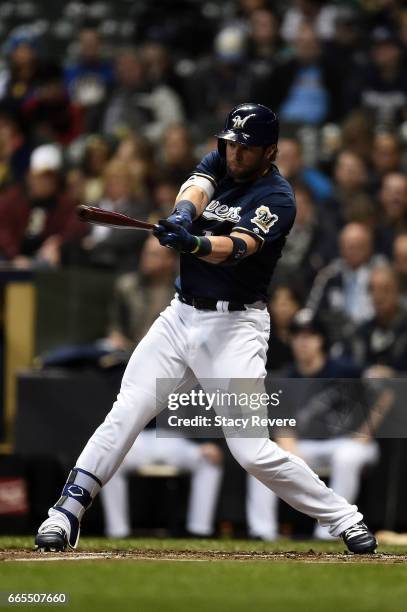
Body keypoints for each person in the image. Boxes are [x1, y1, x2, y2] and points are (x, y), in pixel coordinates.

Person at [35, 103, 377, 554]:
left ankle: (345, 518)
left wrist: (195, 242)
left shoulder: (278, 197)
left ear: (269, 151)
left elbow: (239, 246)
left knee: (251, 451)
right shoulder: (221, 159)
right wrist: (180, 215)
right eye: (231, 143)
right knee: (127, 411)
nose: (234, 153)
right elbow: (198, 186)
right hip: (180, 317)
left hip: (234, 328)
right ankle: (64, 514)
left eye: (246, 147)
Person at [250, 310, 379, 541]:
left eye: (310, 336)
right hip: (306, 445)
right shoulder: (286, 377)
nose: (303, 342)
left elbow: (385, 392)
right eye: (298, 336)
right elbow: (283, 427)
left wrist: (365, 432)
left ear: (322, 340)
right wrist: (291, 453)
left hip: (346, 443)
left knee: (347, 455)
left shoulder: (345, 370)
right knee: (261, 458)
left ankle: (331, 532)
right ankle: (262, 532)